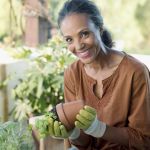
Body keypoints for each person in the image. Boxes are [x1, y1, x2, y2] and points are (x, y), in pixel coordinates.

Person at [30, 0, 150, 149]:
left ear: (100, 29)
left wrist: (99, 129)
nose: (78, 46)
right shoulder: (72, 73)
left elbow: (144, 140)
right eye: (69, 39)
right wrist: (73, 132)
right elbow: (83, 144)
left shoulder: (135, 72)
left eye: (84, 34)